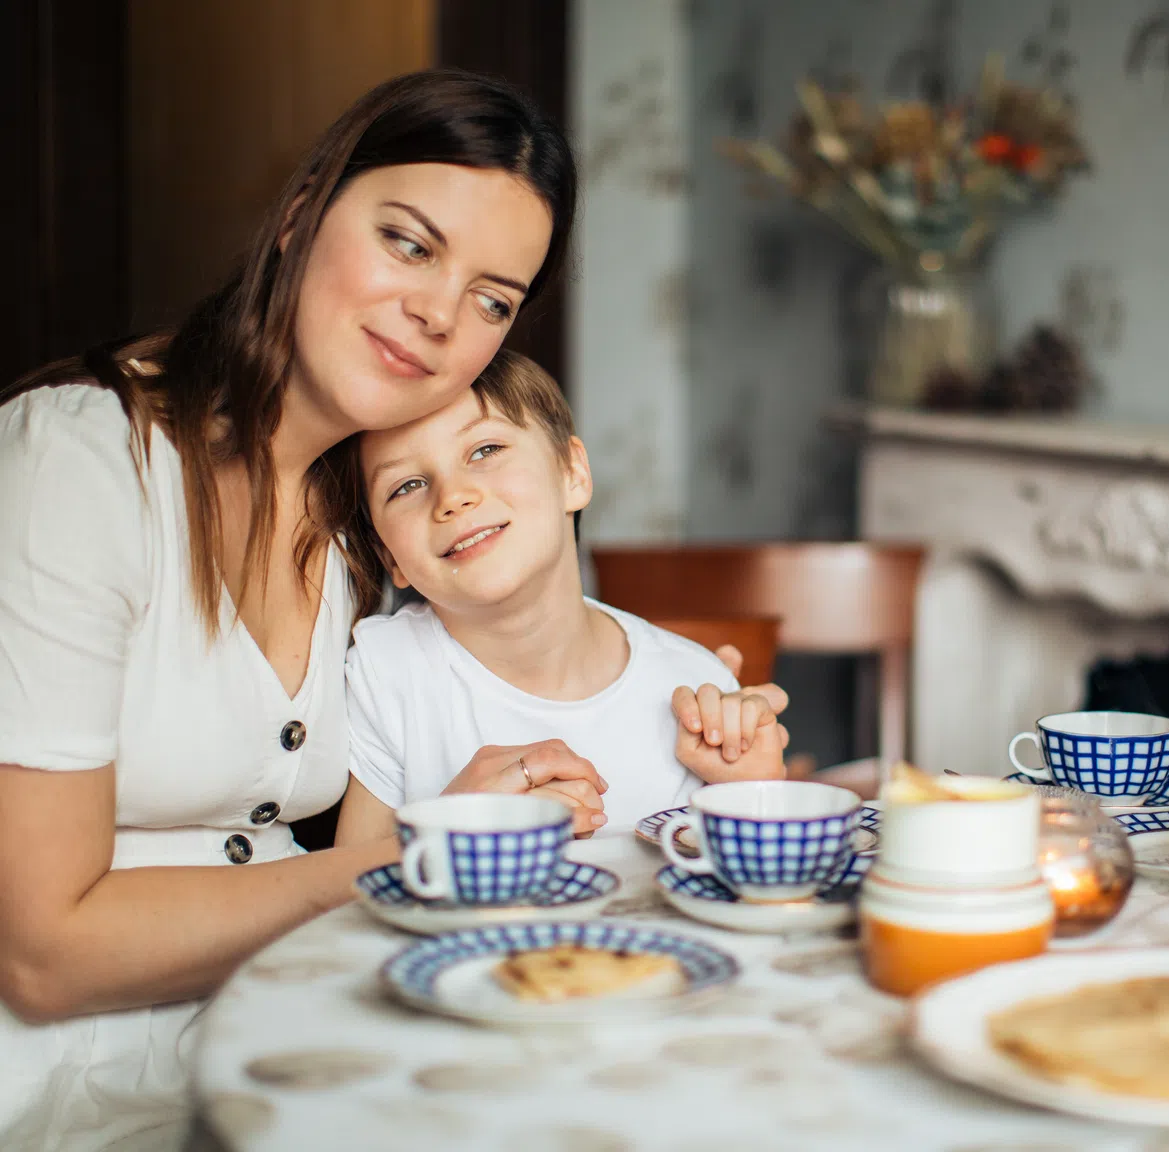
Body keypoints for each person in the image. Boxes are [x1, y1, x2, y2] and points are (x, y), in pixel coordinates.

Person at [0, 71, 781, 1151]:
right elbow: (41, 955)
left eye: (494, 299)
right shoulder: (80, 464)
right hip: (68, 1089)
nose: (438, 314)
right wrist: (416, 855)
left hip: (295, 1034)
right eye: (410, 243)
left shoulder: (362, 525)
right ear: (301, 212)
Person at [334, 352, 786, 844]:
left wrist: (753, 796)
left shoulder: (698, 692)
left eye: (484, 450)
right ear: (389, 557)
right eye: (407, 485)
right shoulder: (388, 673)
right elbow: (344, 900)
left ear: (573, 473)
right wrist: (450, 830)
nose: (452, 496)